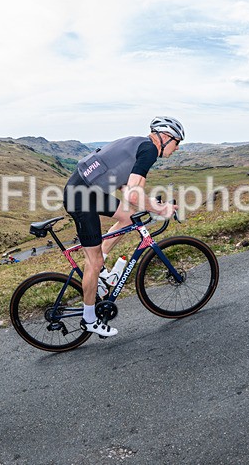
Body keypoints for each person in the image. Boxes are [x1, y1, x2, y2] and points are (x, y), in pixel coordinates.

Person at [62, 116, 182, 337]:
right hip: (81, 197)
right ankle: (89, 318)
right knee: (93, 261)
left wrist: (153, 205)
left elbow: (125, 185)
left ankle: (103, 273)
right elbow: (133, 193)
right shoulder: (149, 151)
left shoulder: (138, 143)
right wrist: (160, 210)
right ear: (166, 137)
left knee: (127, 216)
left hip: (86, 191)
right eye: (177, 142)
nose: (176, 148)